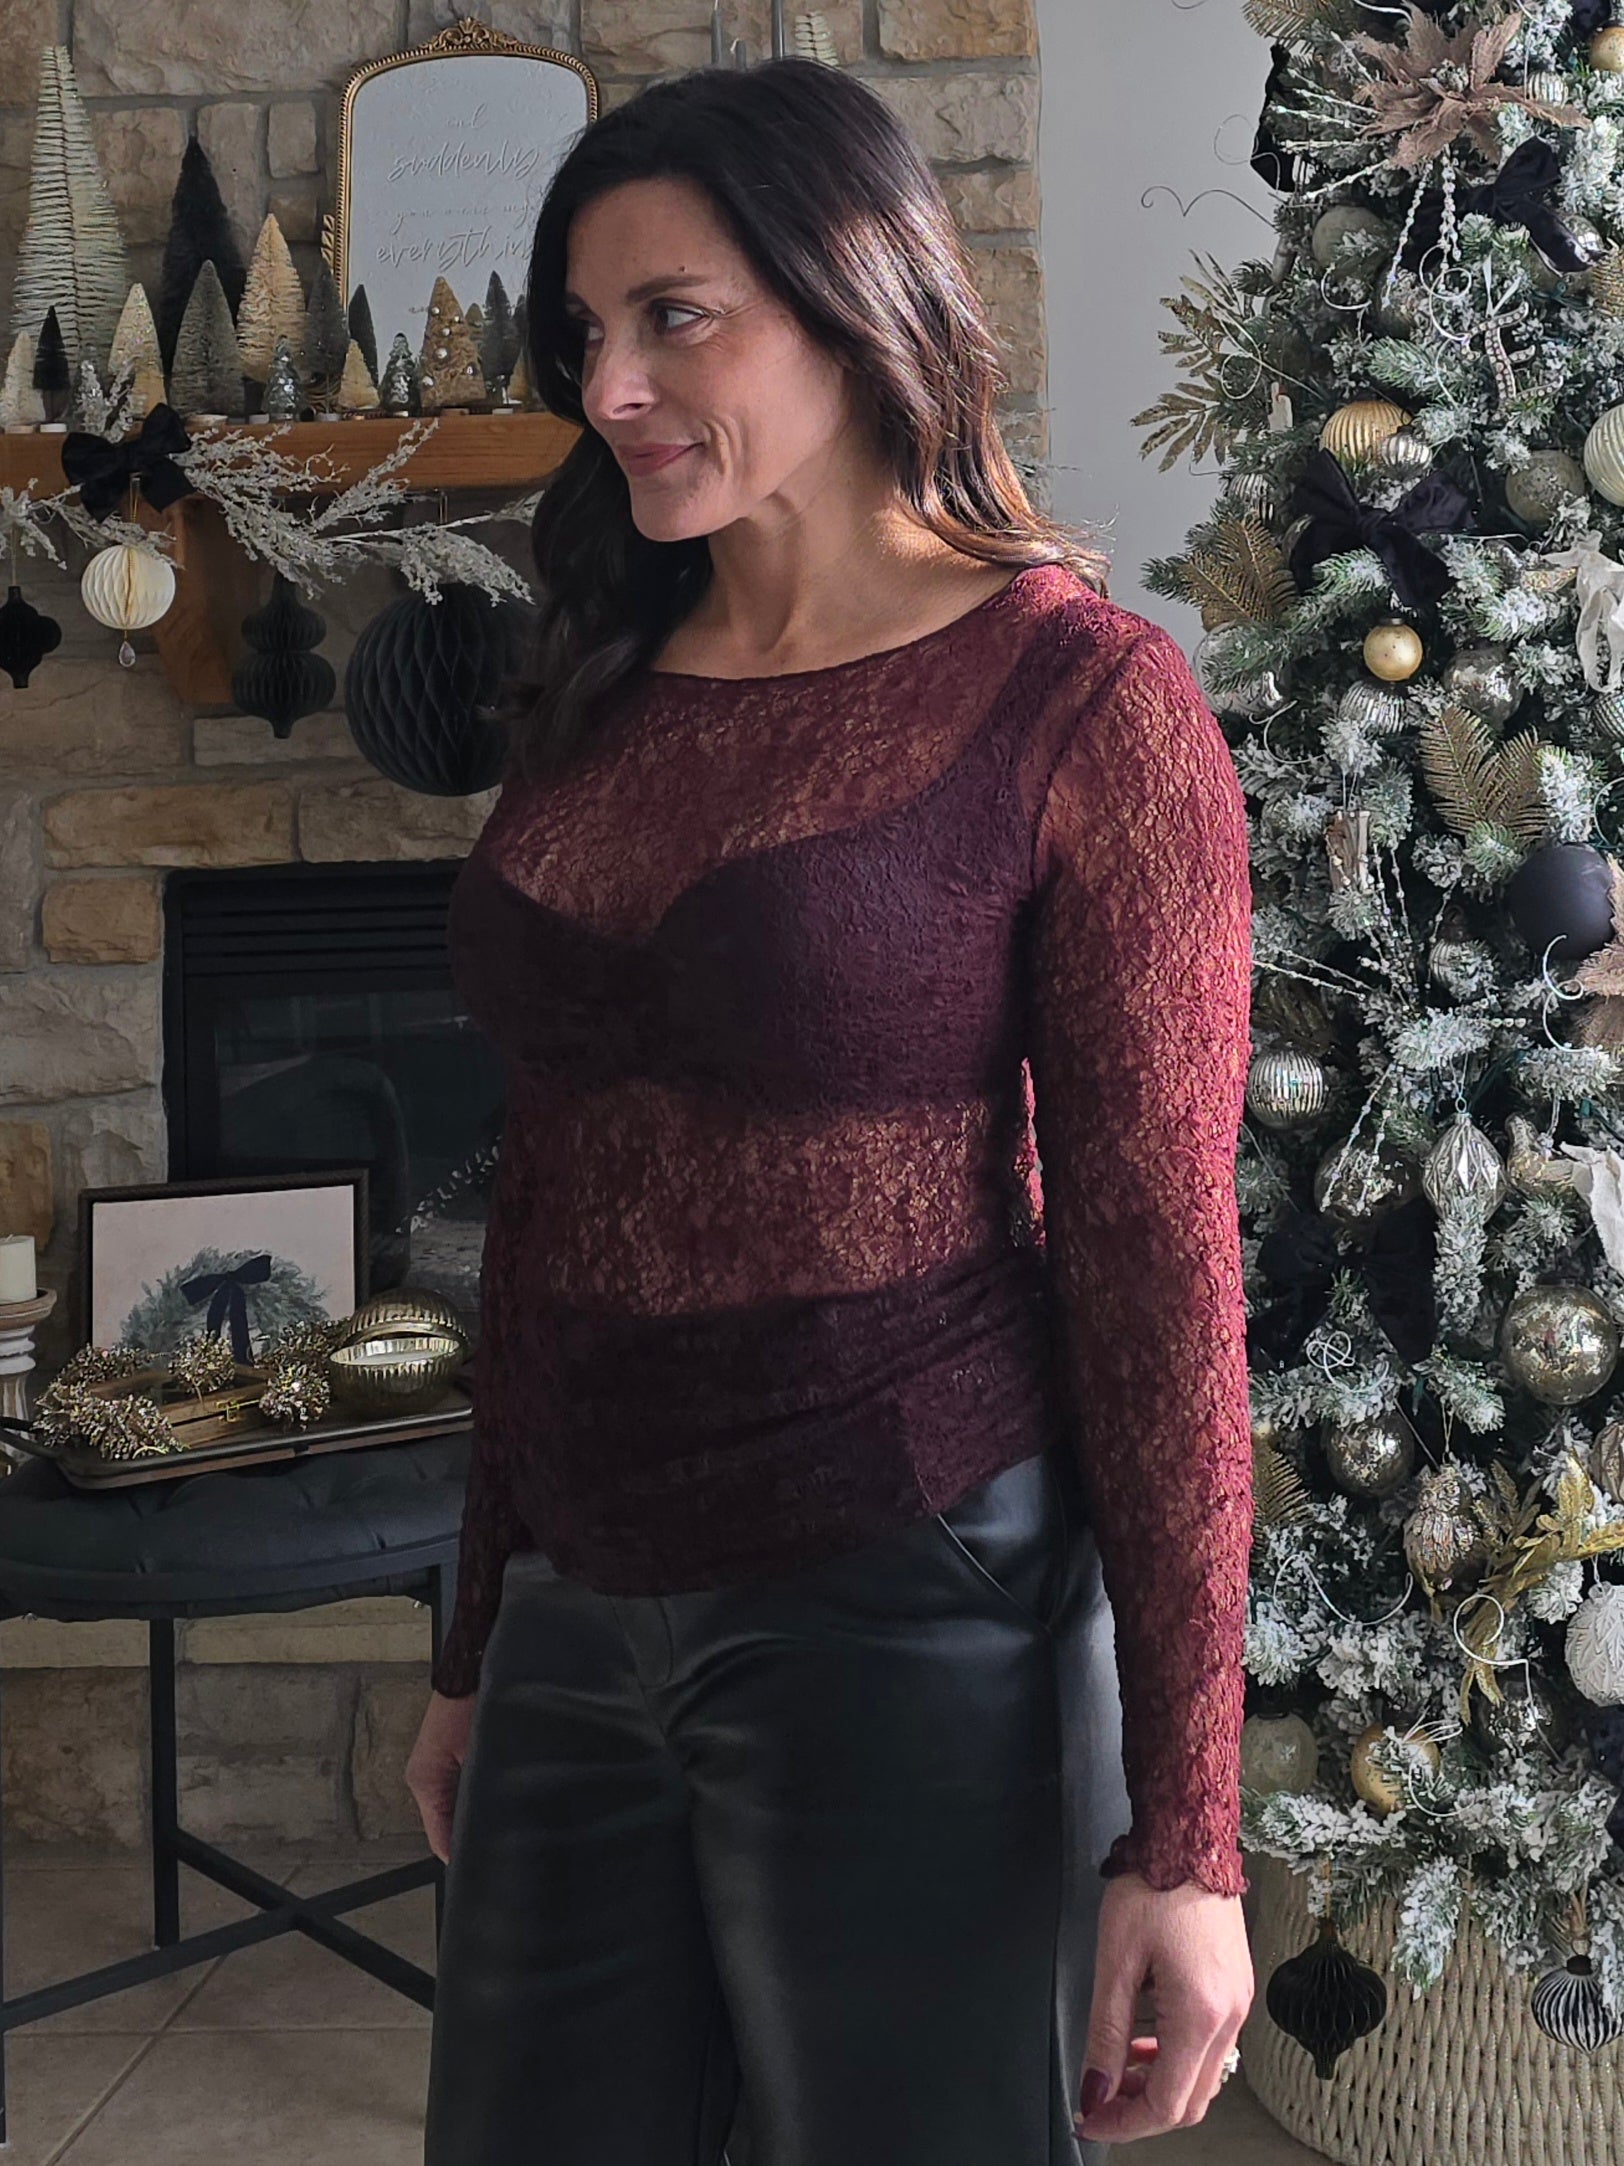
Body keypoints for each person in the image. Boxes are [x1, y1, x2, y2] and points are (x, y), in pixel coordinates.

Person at [408, 56, 1255, 2166]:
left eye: (672, 316)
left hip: (909, 1588)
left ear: (856, 296)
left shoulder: (1084, 701)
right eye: (582, 331)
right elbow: (552, 1183)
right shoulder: (607, 681)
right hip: (582, 1595)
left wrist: (1188, 1838)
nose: (608, 386)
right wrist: (479, 1632)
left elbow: (1159, 1270)